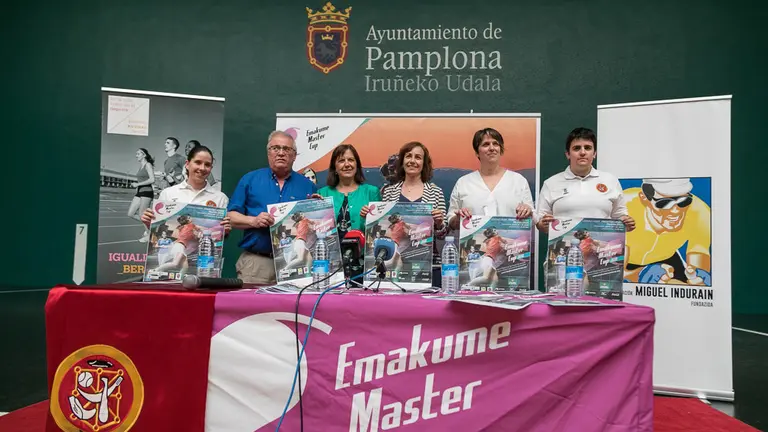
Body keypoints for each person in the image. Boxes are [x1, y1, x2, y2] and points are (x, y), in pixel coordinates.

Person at [227, 130, 317, 284]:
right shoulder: (250, 180)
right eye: (275, 148)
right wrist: (253, 221)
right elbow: (230, 217)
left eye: (286, 149)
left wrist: (318, 209)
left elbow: (314, 227)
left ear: (294, 155)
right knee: (253, 308)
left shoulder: (308, 186)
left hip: (296, 263)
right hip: (257, 263)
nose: (281, 153)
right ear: (268, 153)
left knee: (294, 308)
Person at [365, 141, 448, 285]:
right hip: (394, 257)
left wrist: (440, 223)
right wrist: (370, 216)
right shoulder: (388, 192)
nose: (413, 161)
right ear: (402, 162)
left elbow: (443, 234)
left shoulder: (436, 192)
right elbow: (383, 225)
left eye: (418, 157)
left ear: (424, 163)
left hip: (426, 265)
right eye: (408, 156)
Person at [535, 127, 636, 233]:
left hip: (602, 247)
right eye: (576, 148)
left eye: (587, 148)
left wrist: (626, 222)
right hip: (563, 247)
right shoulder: (551, 183)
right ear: (568, 154)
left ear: (594, 153)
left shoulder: (611, 181)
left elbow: (620, 216)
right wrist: (543, 223)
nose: (582, 152)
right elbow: (540, 222)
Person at [623, 178, 711, 285]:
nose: (676, 211)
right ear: (644, 198)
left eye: (683, 201)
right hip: (626, 261)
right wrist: (639, 274)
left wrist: (698, 277)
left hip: (667, 258)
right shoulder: (625, 207)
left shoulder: (700, 213)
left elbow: (698, 259)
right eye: (664, 203)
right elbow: (613, 272)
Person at [448, 128, 534, 230]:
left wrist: (528, 212)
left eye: (495, 144)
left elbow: (533, 219)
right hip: (475, 244)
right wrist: (458, 219)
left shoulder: (519, 181)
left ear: (500, 150)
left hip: (511, 243)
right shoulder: (463, 183)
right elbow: (451, 221)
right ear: (477, 152)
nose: (492, 148)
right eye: (486, 144)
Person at [141, 145, 231, 228]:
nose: (202, 168)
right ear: (187, 164)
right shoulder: (168, 194)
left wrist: (224, 232)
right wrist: (149, 223)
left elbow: (218, 239)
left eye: (207, 164)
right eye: (198, 162)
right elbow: (159, 231)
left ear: (211, 168)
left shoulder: (221, 198)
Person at [316, 144, 381, 240]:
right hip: (331, 253)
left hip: (361, 253)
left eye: (351, 160)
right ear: (335, 168)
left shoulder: (372, 192)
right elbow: (317, 229)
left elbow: (379, 227)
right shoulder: (322, 193)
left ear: (357, 165)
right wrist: (312, 209)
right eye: (341, 161)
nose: (347, 164)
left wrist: (368, 218)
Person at [127, 148, 156, 242]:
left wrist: (137, 184)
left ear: (144, 155)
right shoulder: (141, 166)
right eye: (136, 154)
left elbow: (152, 179)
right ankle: (151, 226)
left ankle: (149, 234)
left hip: (147, 192)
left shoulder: (148, 165)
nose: (136, 155)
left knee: (142, 214)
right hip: (139, 192)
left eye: (138, 153)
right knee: (130, 214)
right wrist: (137, 187)